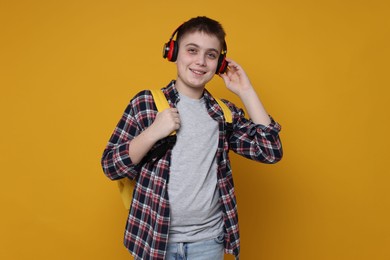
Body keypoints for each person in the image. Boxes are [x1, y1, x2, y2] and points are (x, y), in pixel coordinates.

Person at [101, 16, 283, 260]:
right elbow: (111, 166)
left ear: (220, 63)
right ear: (173, 52)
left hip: (208, 242)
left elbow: (270, 150)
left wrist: (246, 91)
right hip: (155, 237)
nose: (200, 61)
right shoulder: (145, 104)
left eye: (211, 54)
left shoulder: (223, 113)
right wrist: (153, 131)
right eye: (192, 50)